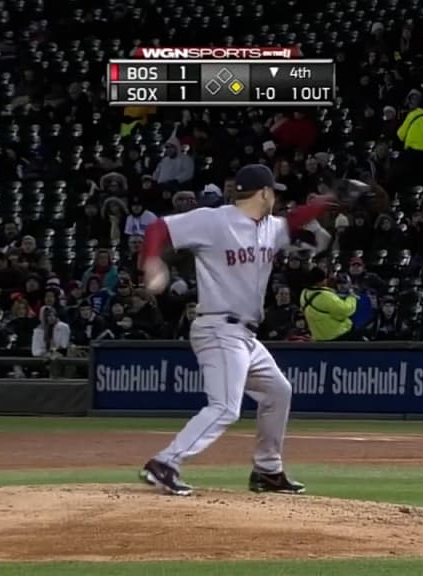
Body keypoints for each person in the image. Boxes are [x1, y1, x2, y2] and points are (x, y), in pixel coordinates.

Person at [137, 163, 334, 496]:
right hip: (218, 327)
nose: (277, 198)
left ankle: (267, 471)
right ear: (264, 193)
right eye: (274, 192)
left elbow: (298, 219)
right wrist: (152, 261)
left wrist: (331, 200)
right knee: (225, 406)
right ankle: (165, 463)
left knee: (277, 391)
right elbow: (157, 228)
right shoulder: (214, 220)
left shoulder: (270, 227)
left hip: (246, 336)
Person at [300, 268, 360, 341]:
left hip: (319, 338)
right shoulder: (325, 296)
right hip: (338, 336)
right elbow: (345, 310)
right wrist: (352, 297)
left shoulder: (304, 293)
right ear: (319, 282)